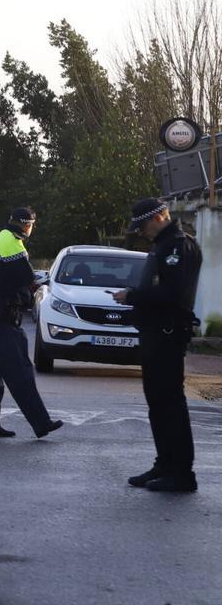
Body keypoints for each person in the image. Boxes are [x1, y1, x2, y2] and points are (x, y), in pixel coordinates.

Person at [112, 198, 202, 493]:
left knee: (170, 404)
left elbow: (171, 293)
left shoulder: (178, 246)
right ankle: (164, 464)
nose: (142, 232)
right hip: (155, 334)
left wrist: (133, 297)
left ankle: (181, 473)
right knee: (158, 404)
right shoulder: (164, 245)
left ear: (157, 218)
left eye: (143, 226)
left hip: (168, 333)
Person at [0, 207, 63, 439]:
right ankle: (41, 423)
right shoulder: (14, 245)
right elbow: (26, 280)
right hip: (3, 317)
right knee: (20, 372)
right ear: (28, 225)